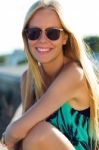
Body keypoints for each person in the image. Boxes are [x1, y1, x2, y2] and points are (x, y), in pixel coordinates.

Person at [1, 0, 99, 149]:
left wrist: (6, 138)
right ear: (26, 37)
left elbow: (16, 130)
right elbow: (18, 137)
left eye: (52, 33)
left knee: (39, 133)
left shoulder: (74, 75)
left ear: (65, 38)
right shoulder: (28, 79)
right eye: (34, 33)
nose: (42, 40)